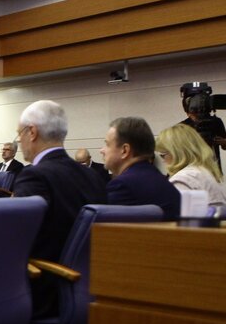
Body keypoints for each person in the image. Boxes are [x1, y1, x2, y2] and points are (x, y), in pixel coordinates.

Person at [12, 101, 108, 266]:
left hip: (42, 281)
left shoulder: (34, 177)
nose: (19, 140)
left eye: (19, 134)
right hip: (88, 281)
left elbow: (16, 239)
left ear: (32, 132)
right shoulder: (92, 176)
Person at [101, 117, 180, 220]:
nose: (102, 150)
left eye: (107, 144)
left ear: (124, 150)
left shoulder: (122, 186)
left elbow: (110, 233)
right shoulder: (164, 182)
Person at [156, 123, 226, 208]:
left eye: (163, 155)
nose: (163, 161)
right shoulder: (214, 175)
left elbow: (174, 217)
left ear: (176, 153)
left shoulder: (182, 180)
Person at [179, 83, 226, 170]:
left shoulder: (216, 122)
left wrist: (223, 142)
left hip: (214, 170)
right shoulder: (182, 127)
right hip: (191, 171)